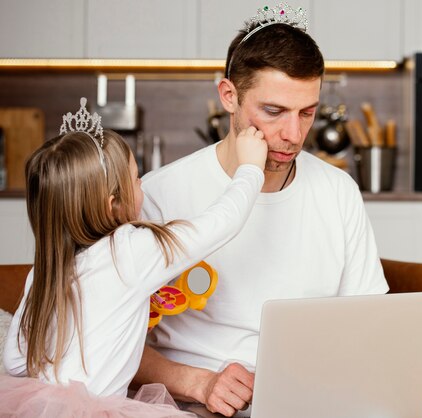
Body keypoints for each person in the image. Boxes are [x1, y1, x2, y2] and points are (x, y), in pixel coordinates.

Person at [134, 3, 389, 417]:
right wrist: (199, 382)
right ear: (229, 96)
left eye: (308, 112)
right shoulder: (162, 194)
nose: (293, 135)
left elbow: (370, 322)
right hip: (195, 402)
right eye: (273, 112)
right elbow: (103, 335)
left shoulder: (338, 191)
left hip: (310, 398)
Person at [1, 97, 267, 416]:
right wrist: (250, 167)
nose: (143, 186)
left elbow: (15, 361)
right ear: (113, 203)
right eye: (136, 179)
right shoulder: (129, 249)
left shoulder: (45, 271)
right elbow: (222, 222)